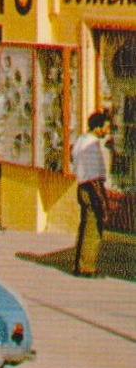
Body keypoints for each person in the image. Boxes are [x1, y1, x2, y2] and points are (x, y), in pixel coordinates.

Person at [72, 110, 116, 277]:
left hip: (83, 186)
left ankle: (80, 263)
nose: (107, 131)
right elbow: (94, 176)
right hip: (91, 188)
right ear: (98, 127)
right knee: (93, 228)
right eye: (106, 127)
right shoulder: (91, 145)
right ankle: (87, 266)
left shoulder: (81, 140)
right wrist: (102, 201)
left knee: (85, 226)